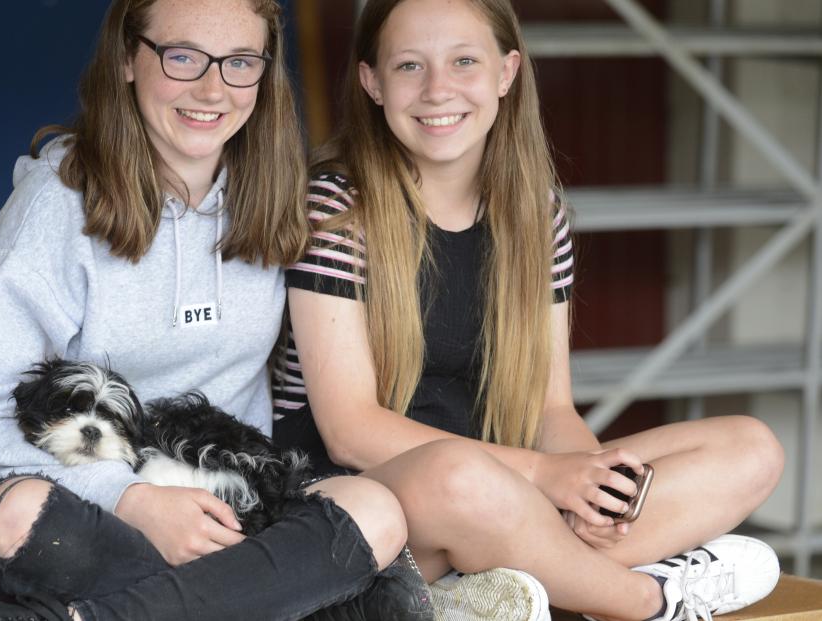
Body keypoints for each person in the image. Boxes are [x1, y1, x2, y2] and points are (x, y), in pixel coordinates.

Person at [273, 0, 786, 619]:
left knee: (750, 448)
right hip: (368, 505)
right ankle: (647, 598)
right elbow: (349, 430)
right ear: (372, 83)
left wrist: (591, 492)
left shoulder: (535, 215)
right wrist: (546, 476)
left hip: (509, 493)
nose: (439, 90)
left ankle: (504, 588)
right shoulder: (334, 209)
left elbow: (550, 407)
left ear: (506, 74)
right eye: (410, 65)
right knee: (459, 477)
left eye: (464, 61)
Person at [0, 0, 434, 619]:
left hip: (227, 509)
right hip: (84, 506)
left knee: (374, 512)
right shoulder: (55, 205)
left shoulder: (276, 200)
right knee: (18, 516)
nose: (211, 88)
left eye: (239, 63)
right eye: (182, 57)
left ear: (263, 73)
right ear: (127, 57)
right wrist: (131, 499)